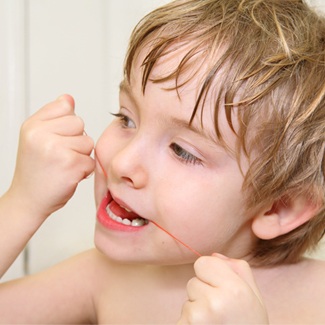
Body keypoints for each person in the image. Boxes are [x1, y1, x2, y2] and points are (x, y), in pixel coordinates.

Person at [0, 0, 324, 323]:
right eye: (126, 119)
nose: (122, 163)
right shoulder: (102, 278)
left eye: (182, 151)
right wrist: (23, 203)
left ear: (279, 207)